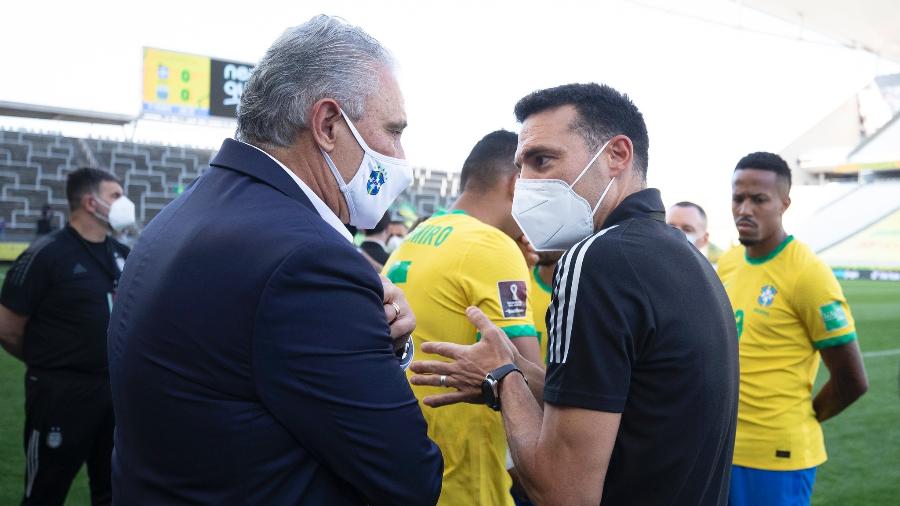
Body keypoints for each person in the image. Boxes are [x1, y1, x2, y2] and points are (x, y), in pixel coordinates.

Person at [106, 16, 442, 505]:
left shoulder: (186, 212)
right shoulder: (307, 260)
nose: (399, 154)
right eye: (393, 131)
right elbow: (409, 478)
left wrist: (378, 343)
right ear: (328, 124)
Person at [411, 83, 739, 505]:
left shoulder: (594, 260)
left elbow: (564, 494)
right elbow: (621, 402)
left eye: (541, 160)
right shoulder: (684, 256)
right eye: (520, 165)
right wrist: (513, 372)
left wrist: (502, 378)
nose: (524, 182)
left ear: (617, 155)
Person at [384, 129, 541, 506]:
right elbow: (532, 386)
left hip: (413, 469)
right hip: (469, 485)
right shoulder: (492, 245)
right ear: (515, 184)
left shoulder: (418, 235)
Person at [717, 152, 869, 506]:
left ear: (784, 203)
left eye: (759, 200)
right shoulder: (729, 262)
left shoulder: (807, 273)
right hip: (722, 448)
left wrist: (799, 419)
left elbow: (852, 380)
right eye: (738, 198)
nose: (745, 210)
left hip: (776, 459)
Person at [0, 167, 133, 505]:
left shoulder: (122, 254)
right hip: (59, 394)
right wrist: (49, 363)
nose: (124, 202)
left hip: (112, 392)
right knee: (45, 490)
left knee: (113, 490)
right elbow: (8, 326)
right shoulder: (45, 255)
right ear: (91, 202)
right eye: (116, 195)